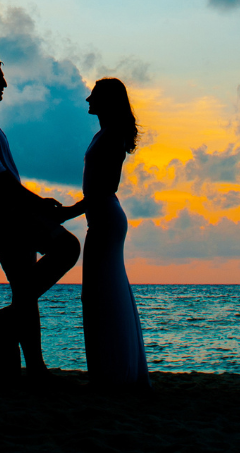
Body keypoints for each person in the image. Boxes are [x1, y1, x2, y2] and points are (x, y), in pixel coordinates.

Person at [0, 53, 81, 377]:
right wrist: (37, 204)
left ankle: (34, 368)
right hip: (4, 213)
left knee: (25, 287)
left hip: (0, 212)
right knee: (67, 248)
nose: (4, 83)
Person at [67, 77, 151, 388]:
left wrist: (68, 212)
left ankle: (111, 373)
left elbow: (104, 188)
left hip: (104, 217)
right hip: (100, 216)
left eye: (94, 95)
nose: (88, 100)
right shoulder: (104, 134)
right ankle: (109, 369)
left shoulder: (111, 136)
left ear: (106, 101)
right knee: (101, 292)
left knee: (101, 293)